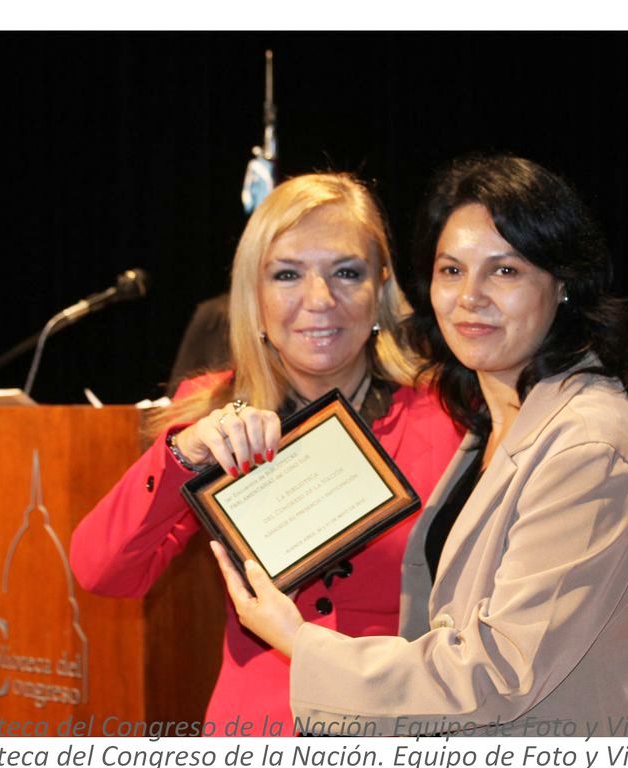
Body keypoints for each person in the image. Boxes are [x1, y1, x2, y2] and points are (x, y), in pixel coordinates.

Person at [211, 155, 628, 736]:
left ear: (562, 284)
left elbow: (497, 672)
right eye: (451, 270)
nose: (470, 296)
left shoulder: (587, 448)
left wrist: (298, 641)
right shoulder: (490, 424)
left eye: (504, 271)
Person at [69, 172, 463, 735]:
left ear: (381, 287)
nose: (319, 300)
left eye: (346, 272)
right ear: (253, 295)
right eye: (287, 275)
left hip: (401, 723)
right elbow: (102, 572)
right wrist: (183, 454)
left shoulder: (449, 413)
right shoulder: (212, 414)